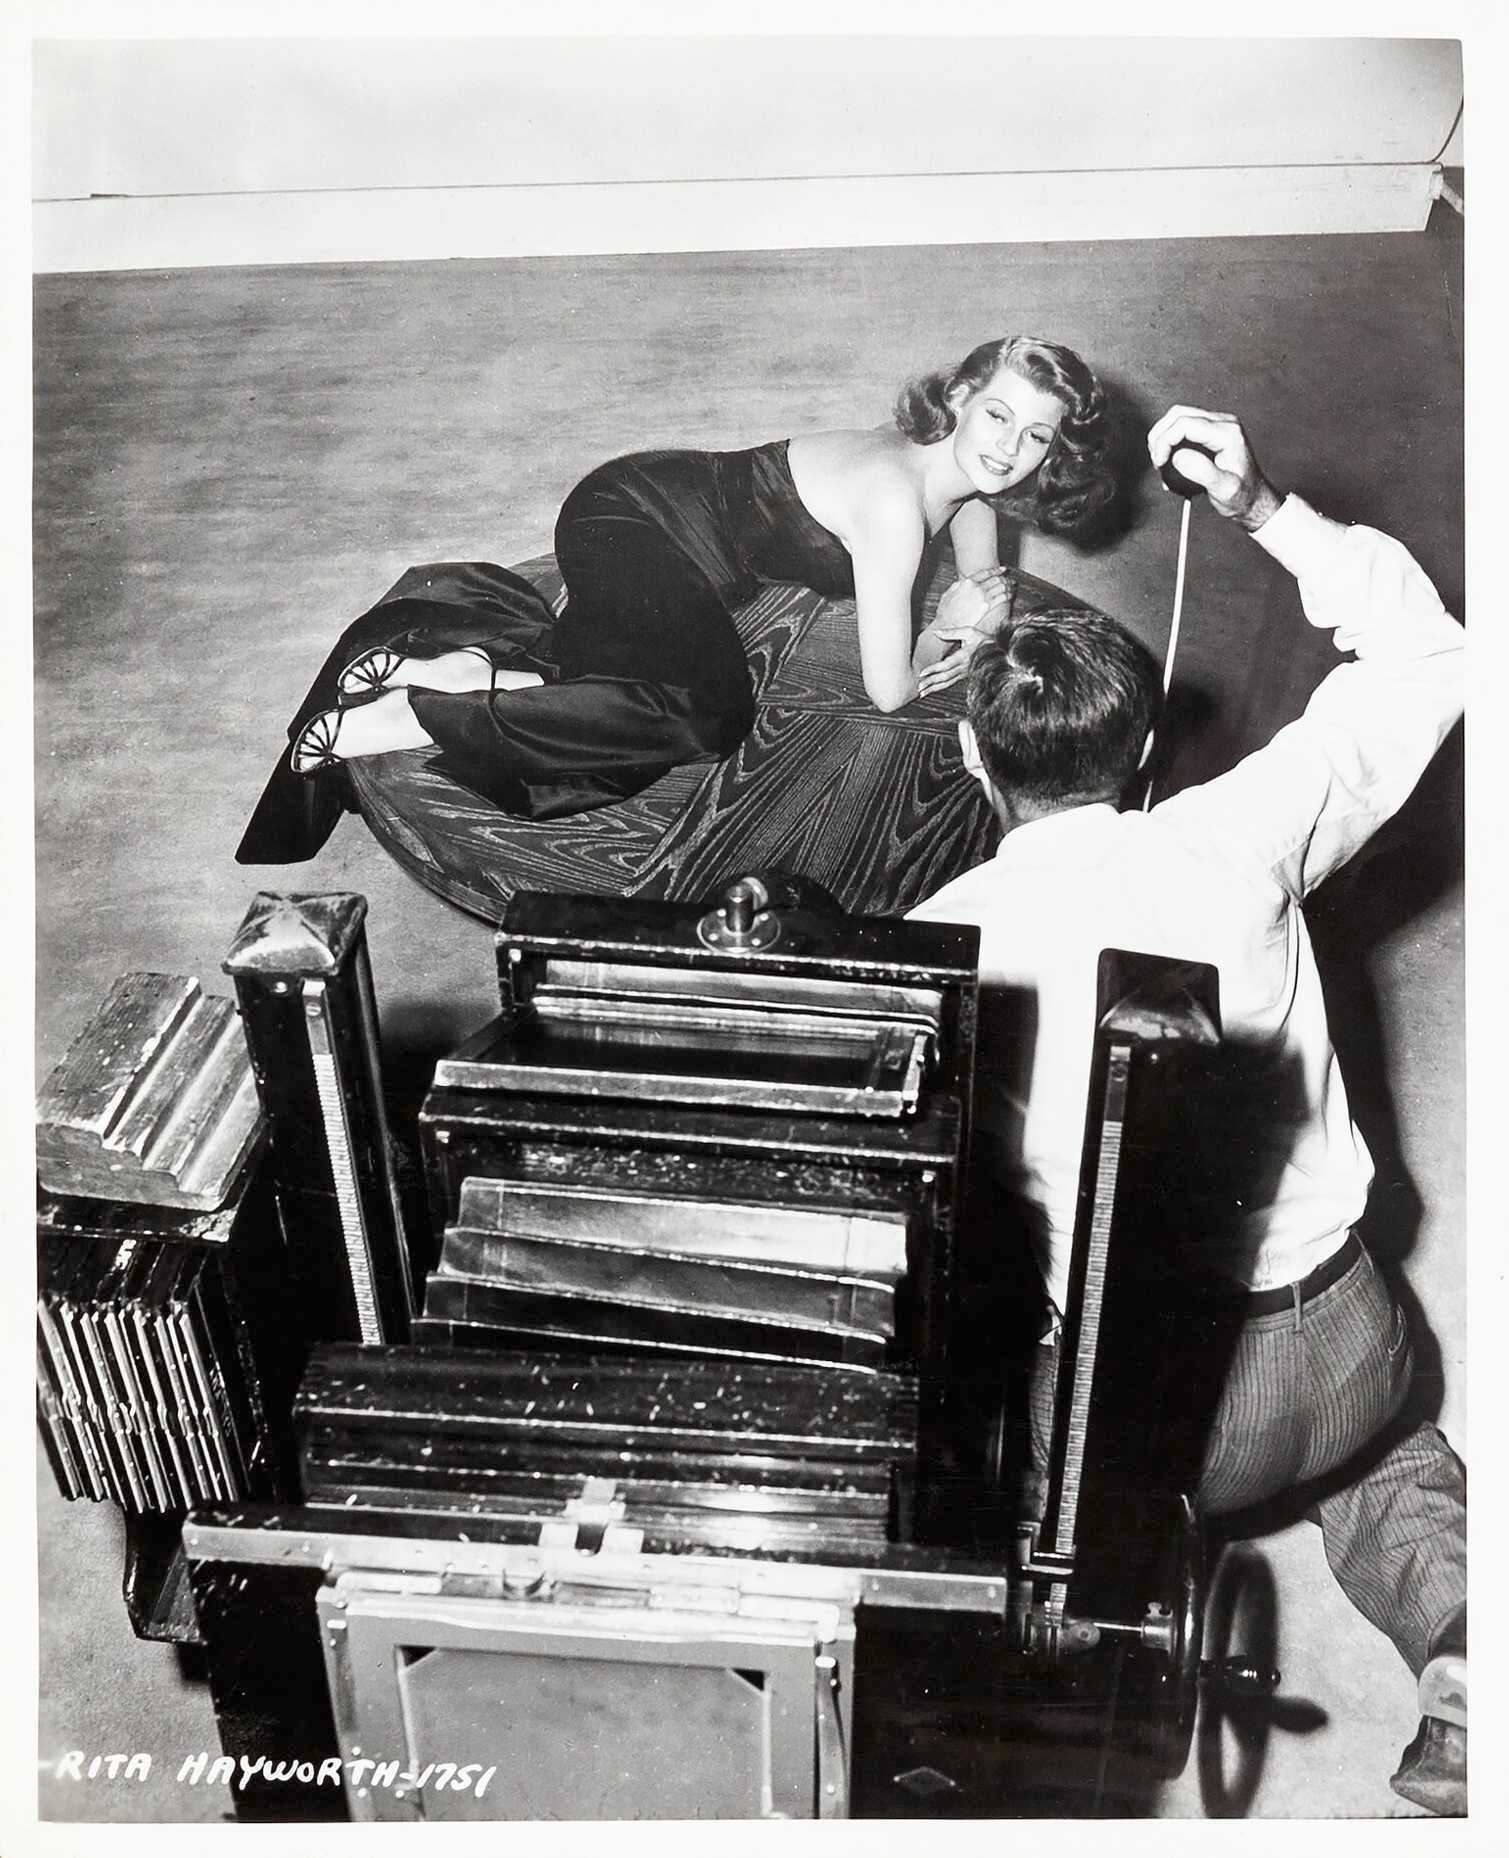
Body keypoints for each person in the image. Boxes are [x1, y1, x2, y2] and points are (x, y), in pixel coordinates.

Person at [907, 406, 1467, 1814]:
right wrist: (1262, 503)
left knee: (959, 1427)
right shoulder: (1244, 830)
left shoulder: (944, 943)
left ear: (972, 758)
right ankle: (1471, 1656)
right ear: (1148, 740)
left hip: (1146, 1424)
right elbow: (1429, 655)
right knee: (1389, 1451)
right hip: (1350, 1343)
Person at [236, 335, 1120, 865]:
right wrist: (945, 641)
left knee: (639, 681)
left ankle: (478, 673)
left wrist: (975, 617)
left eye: (1035, 435)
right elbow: (887, 691)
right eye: (997, 416)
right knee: (707, 713)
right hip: (631, 520)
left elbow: (983, 587)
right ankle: (419, 713)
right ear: (958, 399)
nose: (1009, 449)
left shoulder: (963, 478)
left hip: (672, 538)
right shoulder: (894, 502)